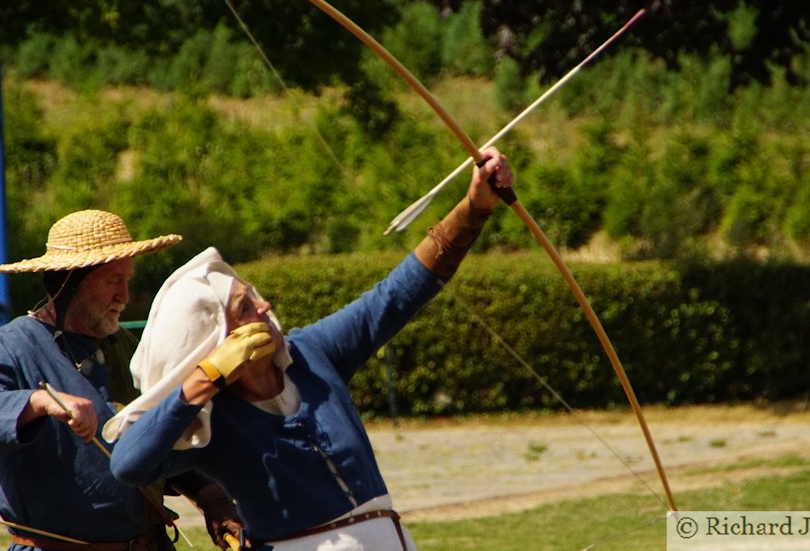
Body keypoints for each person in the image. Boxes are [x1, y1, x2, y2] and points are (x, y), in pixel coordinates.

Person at [104, 149, 514, 550]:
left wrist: (474, 207)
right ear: (217, 338)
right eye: (246, 308)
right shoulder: (211, 423)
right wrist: (204, 379)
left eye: (255, 297)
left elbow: (397, 295)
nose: (264, 307)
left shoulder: (310, 354)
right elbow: (128, 465)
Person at [0, 209, 244, 550]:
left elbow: (157, 437)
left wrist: (210, 495)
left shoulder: (125, 346)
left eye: (127, 280)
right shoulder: (10, 346)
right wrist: (39, 403)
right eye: (113, 281)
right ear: (70, 281)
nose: (124, 296)